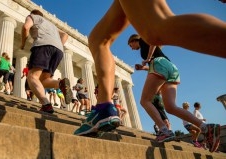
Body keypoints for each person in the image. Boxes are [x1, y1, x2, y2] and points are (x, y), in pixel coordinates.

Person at [75, 0, 223, 152]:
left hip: (159, 64)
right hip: (169, 67)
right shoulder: (145, 48)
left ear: (133, 40)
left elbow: (153, 41)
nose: (131, 48)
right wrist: (145, 67)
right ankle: (206, 127)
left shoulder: (143, 41)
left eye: (130, 45)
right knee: (171, 107)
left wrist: (148, 57)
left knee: (145, 99)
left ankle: (164, 130)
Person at [20, 9, 72, 114]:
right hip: (58, 50)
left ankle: (46, 104)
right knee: (44, 80)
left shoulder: (32, 17)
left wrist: (22, 44)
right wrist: (57, 44)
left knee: (32, 76)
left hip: (43, 46)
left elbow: (25, 27)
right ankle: (60, 83)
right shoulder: (51, 25)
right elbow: (65, 35)